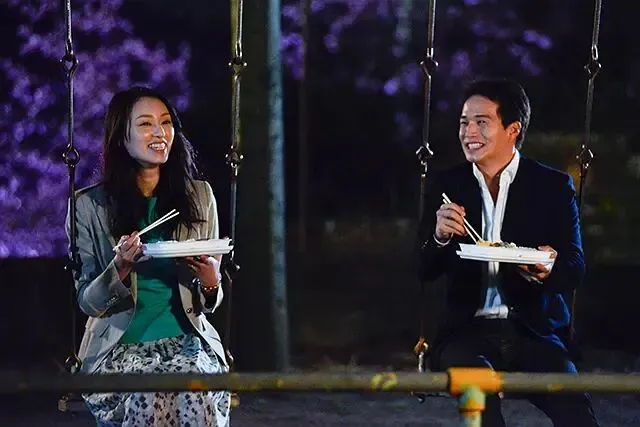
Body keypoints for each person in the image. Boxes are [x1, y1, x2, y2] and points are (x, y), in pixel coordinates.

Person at [418, 78, 600, 426]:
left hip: (534, 332)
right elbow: (422, 267)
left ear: (512, 129)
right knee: (479, 401)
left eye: (481, 122)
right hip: (465, 335)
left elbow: (575, 268)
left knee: (576, 411)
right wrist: (439, 237)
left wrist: (547, 267)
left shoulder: (551, 186)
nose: (469, 132)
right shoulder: (447, 186)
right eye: (464, 122)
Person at [66, 86, 230, 426]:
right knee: (151, 391)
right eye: (145, 124)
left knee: (191, 385)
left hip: (188, 342)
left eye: (166, 122)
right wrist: (120, 268)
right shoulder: (89, 207)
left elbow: (208, 301)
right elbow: (88, 302)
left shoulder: (200, 197)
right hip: (119, 348)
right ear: (121, 137)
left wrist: (211, 282)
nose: (159, 132)